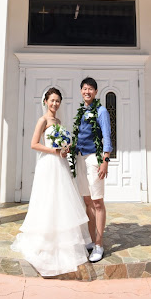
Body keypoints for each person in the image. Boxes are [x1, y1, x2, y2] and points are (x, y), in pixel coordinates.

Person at [11, 88, 91, 277]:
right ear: (46, 101)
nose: (55, 104)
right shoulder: (43, 120)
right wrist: (54, 151)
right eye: (52, 100)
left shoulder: (59, 122)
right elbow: (34, 144)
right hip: (48, 165)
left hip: (60, 164)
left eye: (57, 101)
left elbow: (60, 146)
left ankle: (62, 240)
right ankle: (45, 241)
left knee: (61, 201)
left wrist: (64, 149)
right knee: (47, 200)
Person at [70, 77, 112, 263]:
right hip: (80, 158)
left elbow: (107, 136)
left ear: (96, 92)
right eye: (84, 89)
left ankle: (99, 244)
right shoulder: (82, 112)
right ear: (81, 91)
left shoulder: (101, 111)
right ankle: (91, 240)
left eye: (90, 89)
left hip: (94, 158)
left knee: (97, 202)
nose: (87, 92)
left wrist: (105, 161)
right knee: (87, 201)